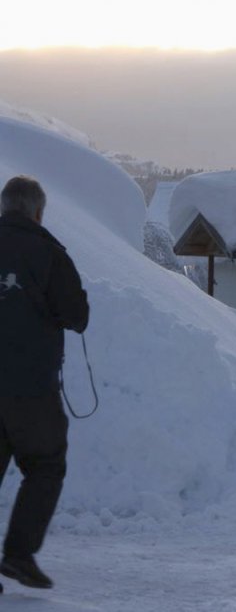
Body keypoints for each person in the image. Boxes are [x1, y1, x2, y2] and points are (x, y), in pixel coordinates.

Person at [0, 176, 89, 590]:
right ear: (37, 212)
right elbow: (76, 315)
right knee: (46, 463)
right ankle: (18, 554)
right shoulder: (50, 253)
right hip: (30, 387)